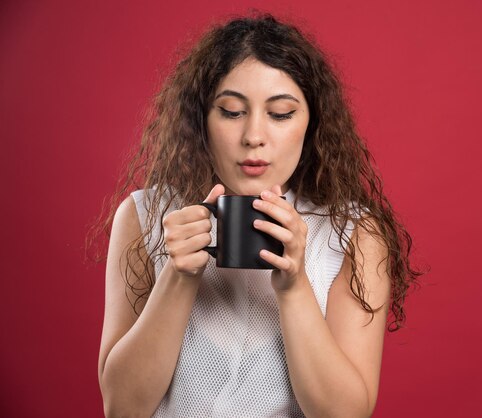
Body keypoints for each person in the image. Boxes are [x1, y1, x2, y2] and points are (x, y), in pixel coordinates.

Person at [95, 13, 423, 418]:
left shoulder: (353, 235)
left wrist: (295, 287)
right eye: (231, 111)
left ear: (312, 125)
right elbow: (122, 409)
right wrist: (178, 277)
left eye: (281, 113)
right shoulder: (146, 217)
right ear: (202, 120)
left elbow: (345, 414)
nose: (253, 136)